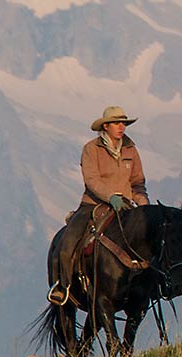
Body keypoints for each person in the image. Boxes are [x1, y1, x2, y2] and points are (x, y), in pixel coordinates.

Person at [48, 106, 150, 303]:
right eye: (117, 123)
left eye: (124, 123)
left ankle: (153, 286)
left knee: (152, 241)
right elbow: (92, 180)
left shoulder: (131, 150)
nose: (122, 127)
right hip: (93, 205)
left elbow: (138, 182)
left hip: (126, 206)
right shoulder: (91, 149)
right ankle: (63, 286)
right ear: (106, 126)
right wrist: (111, 196)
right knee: (67, 244)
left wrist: (144, 206)